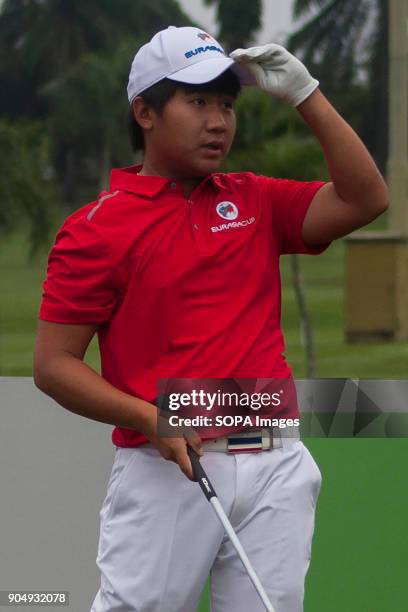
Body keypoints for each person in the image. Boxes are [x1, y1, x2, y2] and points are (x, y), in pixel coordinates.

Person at [33, 25, 389, 612]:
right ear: (145, 112)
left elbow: (365, 199)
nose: (219, 121)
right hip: (168, 463)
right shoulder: (96, 229)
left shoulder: (253, 198)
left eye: (227, 104)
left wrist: (306, 94)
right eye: (198, 102)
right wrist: (150, 419)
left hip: (274, 456)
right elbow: (53, 365)